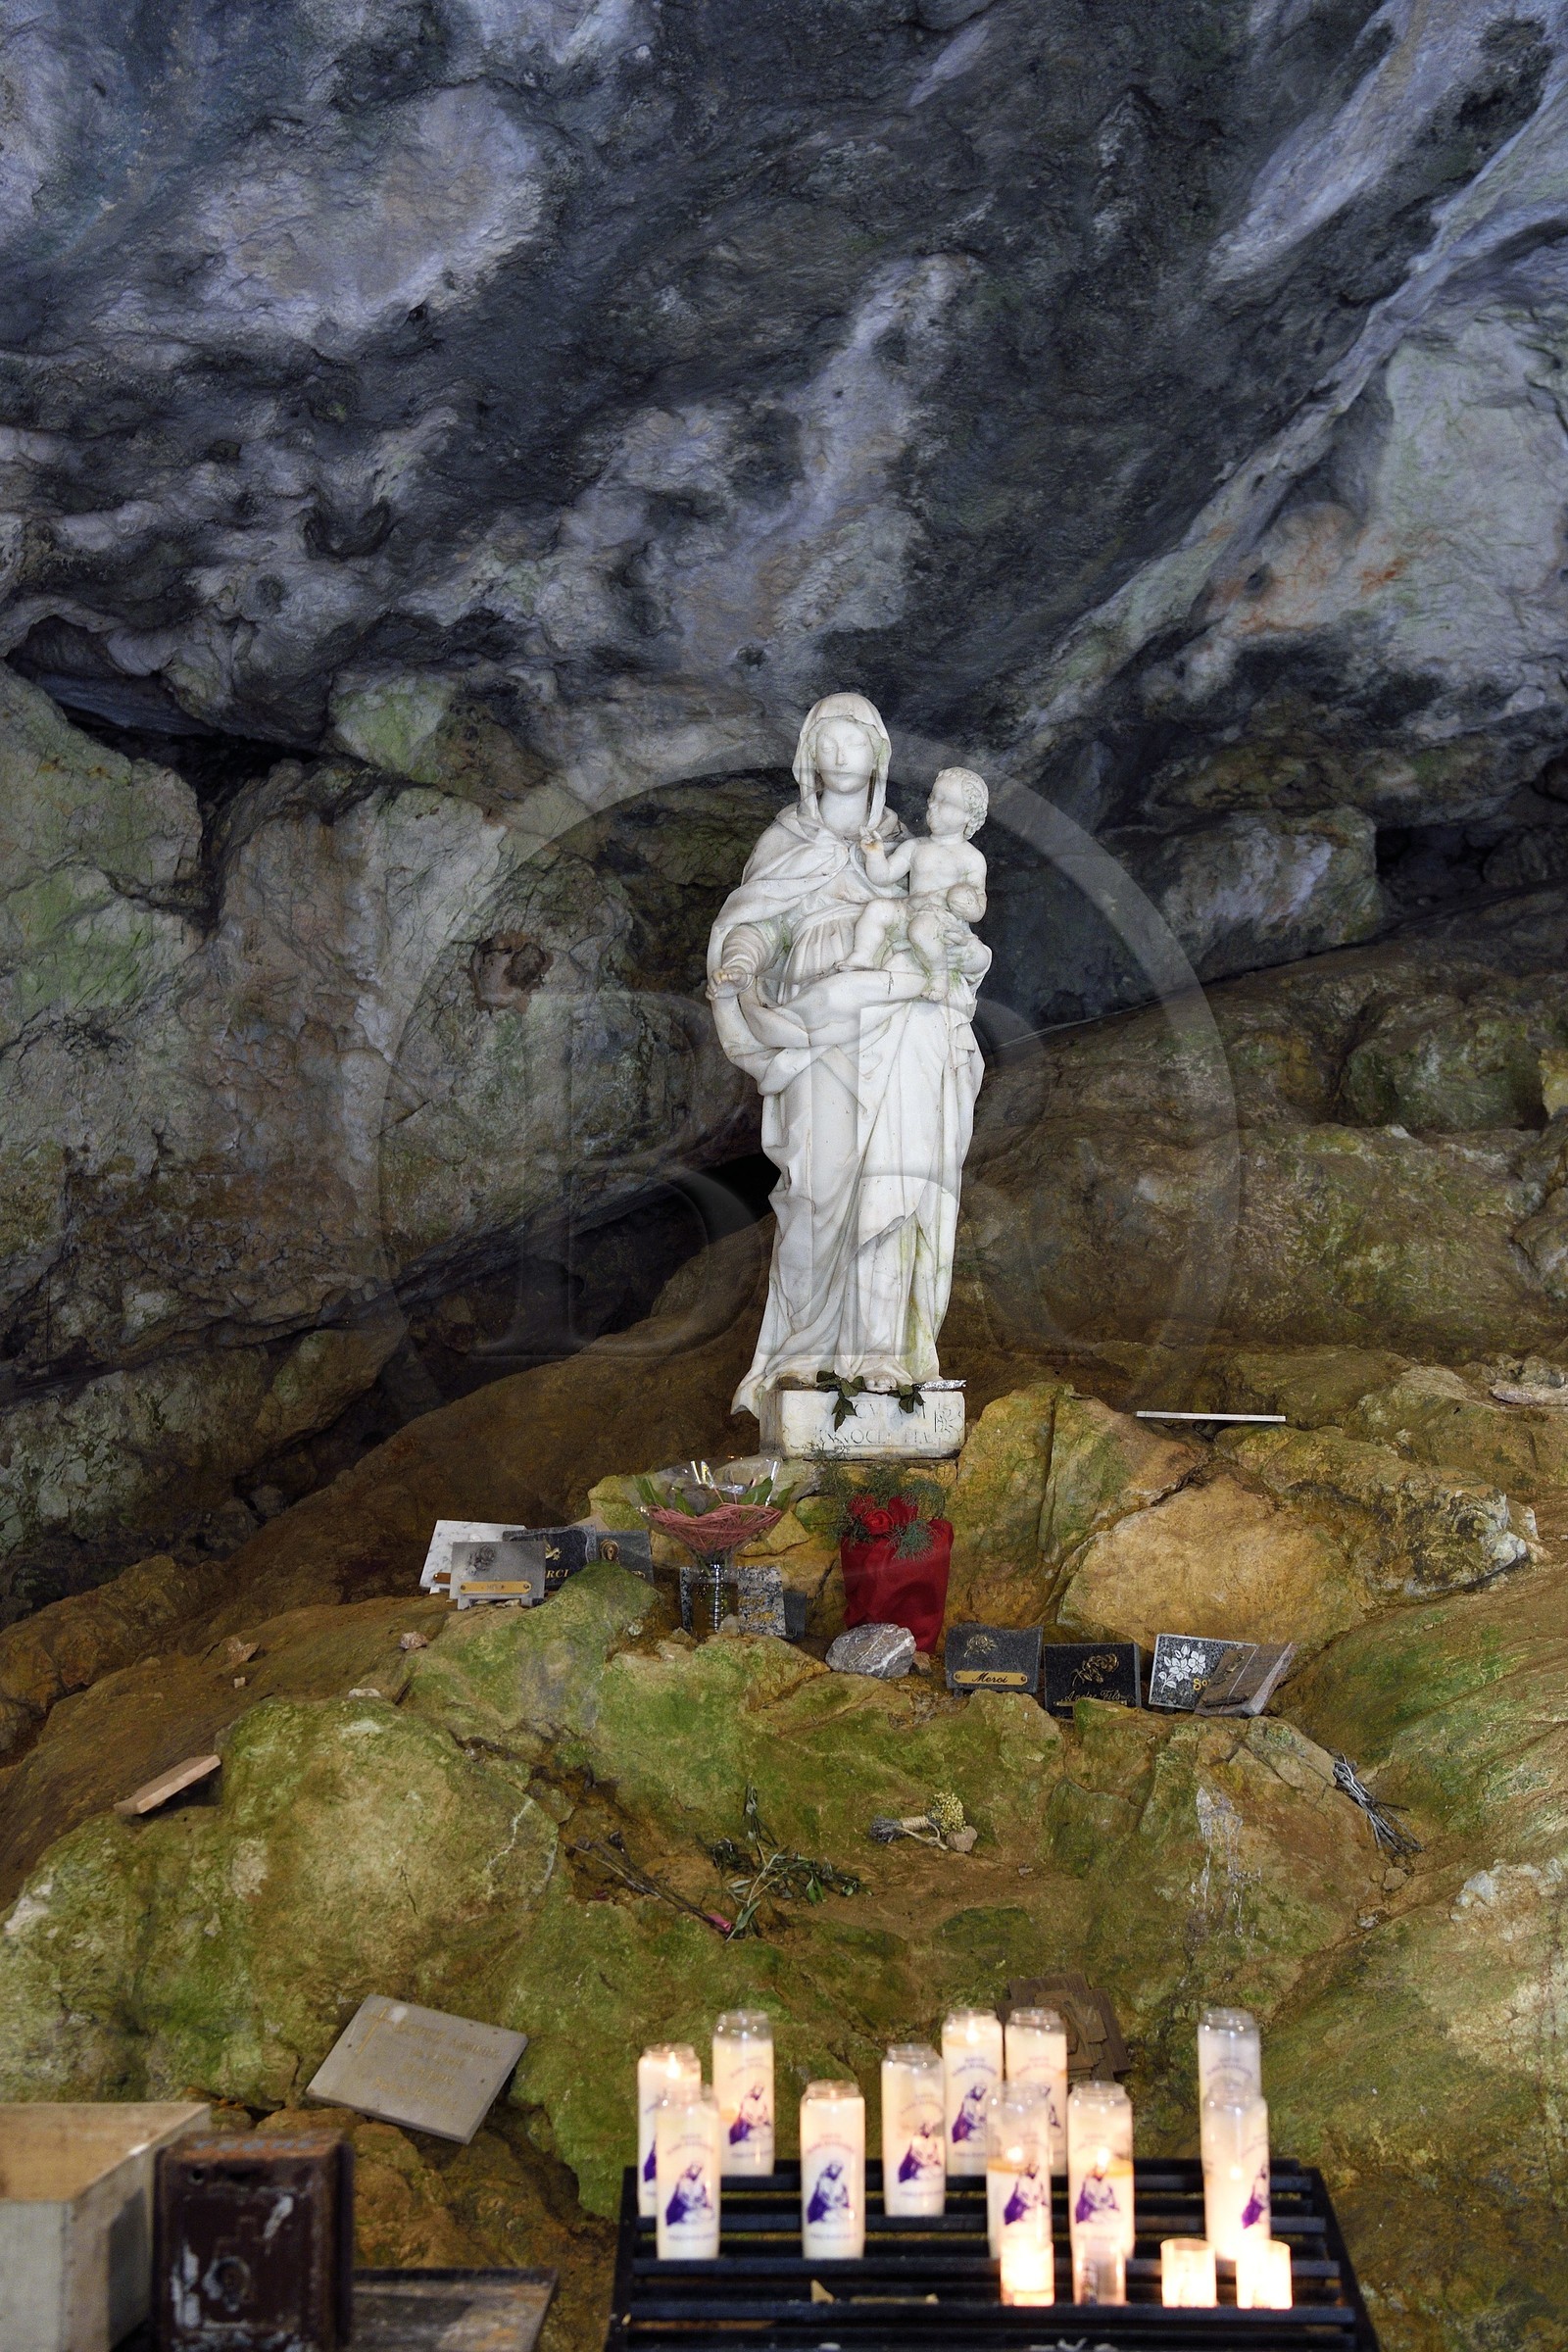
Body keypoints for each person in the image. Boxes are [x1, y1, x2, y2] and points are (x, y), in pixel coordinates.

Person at [707, 693, 990, 1419]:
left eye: (852, 737)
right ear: (806, 756)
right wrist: (739, 960)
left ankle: (883, 1355)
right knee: (817, 1189)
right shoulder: (785, 841)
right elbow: (757, 922)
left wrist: (954, 956)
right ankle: (804, 1356)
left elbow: (954, 926)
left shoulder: (912, 845)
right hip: (818, 1019)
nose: (837, 751)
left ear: (878, 754)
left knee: (897, 1178)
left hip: (900, 1020)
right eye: (823, 739)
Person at [845, 765, 988, 1002]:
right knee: (877, 909)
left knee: (922, 930)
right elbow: (884, 876)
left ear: (968, 816)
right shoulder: (916, 847)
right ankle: (863, 955)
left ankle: (938, 977)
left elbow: (979, 903)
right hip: (909, 910)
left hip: (940, 920)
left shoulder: (972, 858)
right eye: (933, 798)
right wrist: (874, 854)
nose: (933, 805)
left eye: (945, 802)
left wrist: (970, 908)